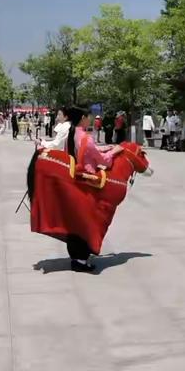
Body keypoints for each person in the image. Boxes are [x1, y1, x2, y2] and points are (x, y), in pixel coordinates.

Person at [66, 106, 124, 271]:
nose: (90, 119)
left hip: (74, 181)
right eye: (89, 117)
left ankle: (76, 257)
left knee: (75, 222)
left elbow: (88, 152)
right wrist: (114, 151)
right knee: (88, 221)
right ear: (83, 117)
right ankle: (81, 260)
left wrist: (104, 148)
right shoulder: (86, 138)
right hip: (88, 184)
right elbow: (104, 162)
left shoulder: (71, 135)